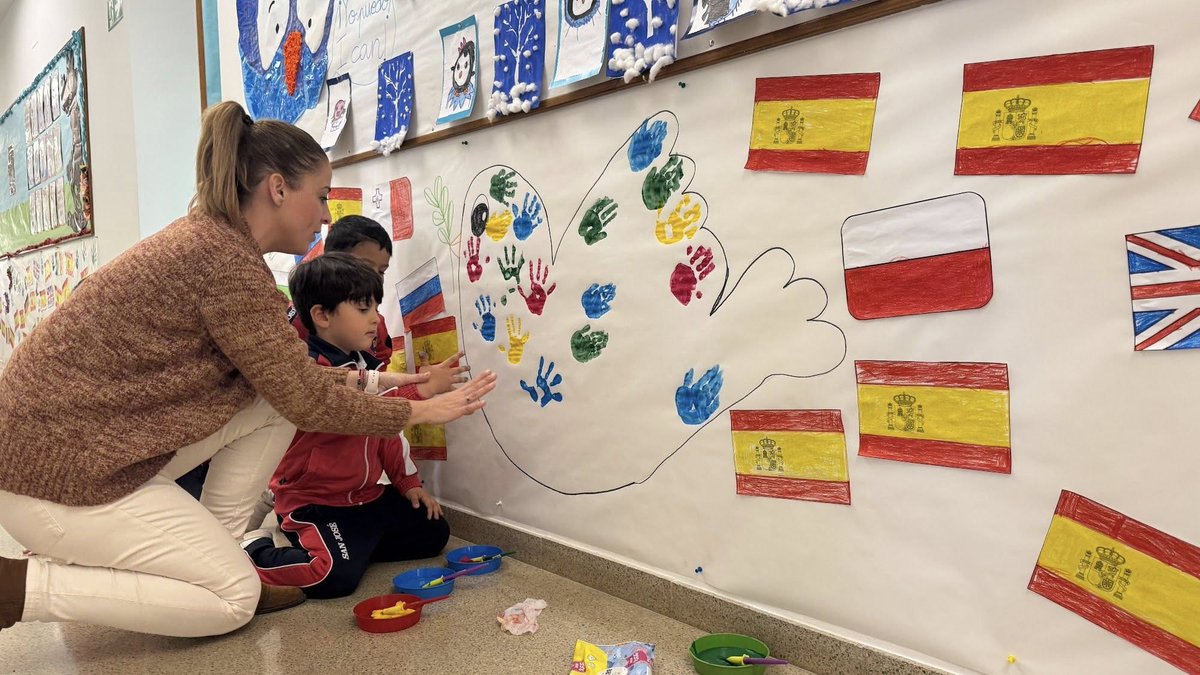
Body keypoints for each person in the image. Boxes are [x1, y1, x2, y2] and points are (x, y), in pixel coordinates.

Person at [0, 100, 496, 638]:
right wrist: (416, 409)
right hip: (53, 474)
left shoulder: (218, 247)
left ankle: (206, 559)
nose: (327, 215)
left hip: (85, 451)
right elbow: (304, 398)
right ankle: (20, 589)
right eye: (323, 196)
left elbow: (287, 381)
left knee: (267, 405)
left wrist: (383, 383)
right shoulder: (224, 262)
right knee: (235, 598)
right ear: (278, 188)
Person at [245, 253, 453, 598]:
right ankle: (254, 550)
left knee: (433, 533)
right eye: (363, 309)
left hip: (366, 496)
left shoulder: (366, 365)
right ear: (322, 315)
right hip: (315, 501)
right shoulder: (309, 372)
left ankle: (352, 546)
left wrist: (408, 483)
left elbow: (387, 427)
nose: (376, 319)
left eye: (376, 308)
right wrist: (422, 391)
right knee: (332, 577)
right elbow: (356, 410)